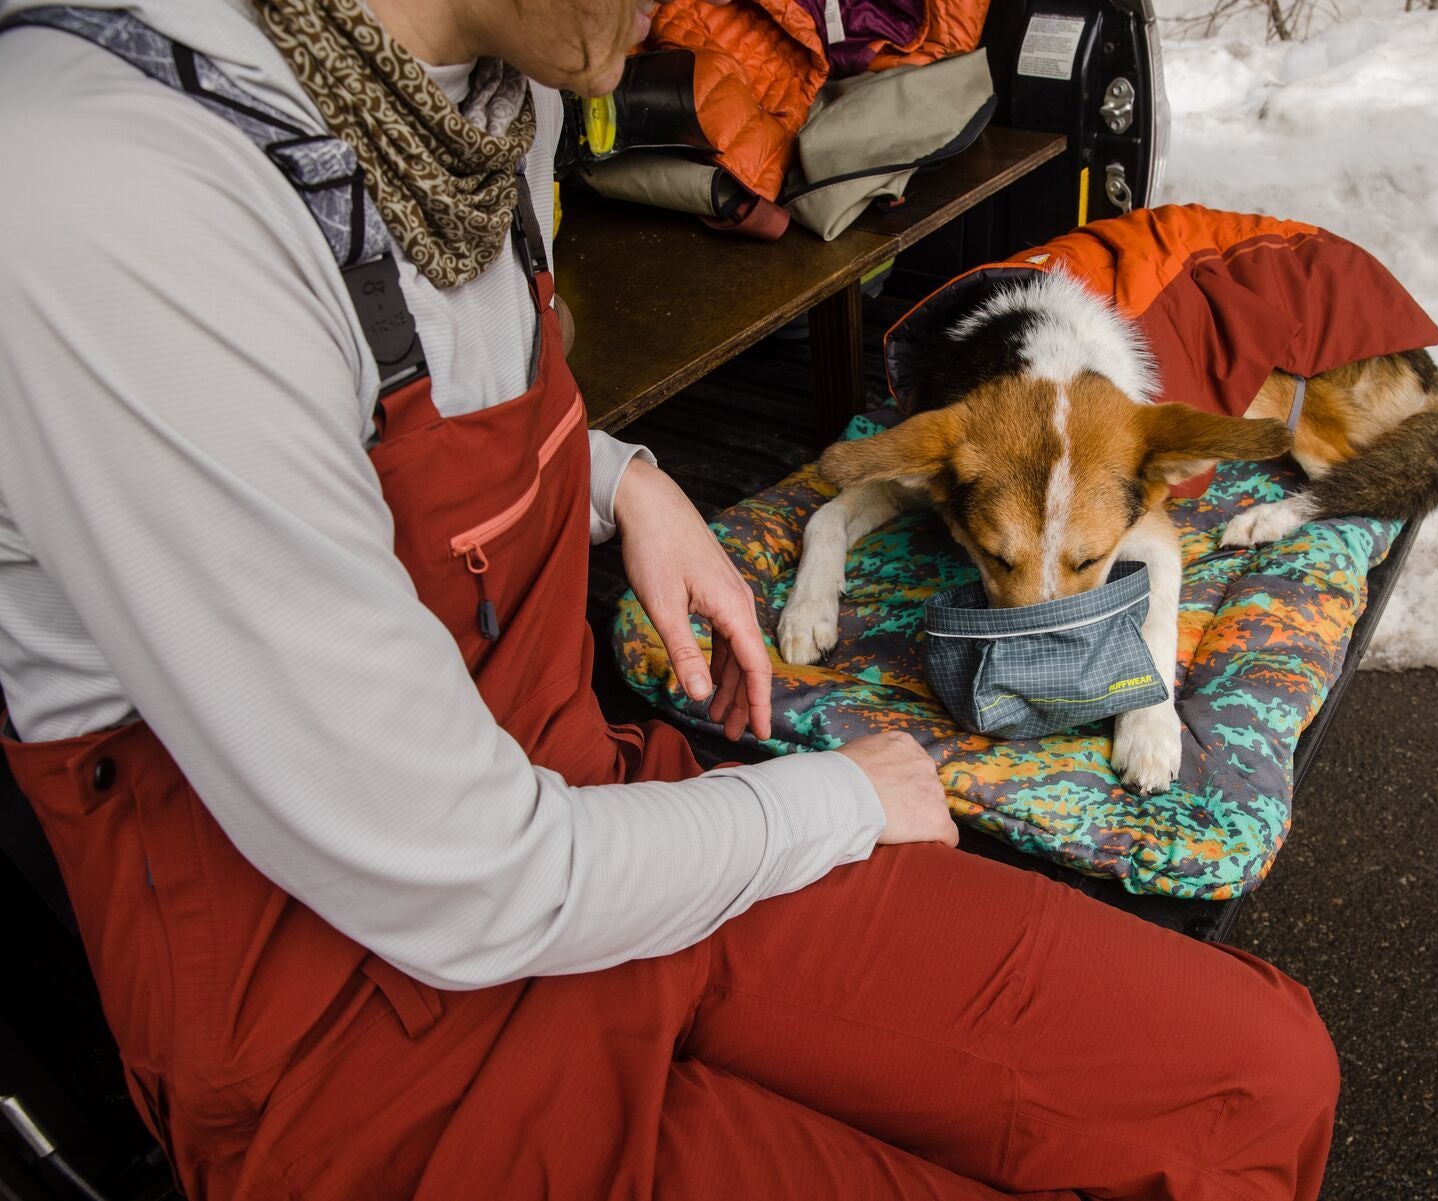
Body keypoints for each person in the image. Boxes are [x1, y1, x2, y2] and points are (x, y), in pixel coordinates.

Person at [0, 0, 1340, 1197]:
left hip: (600, 822)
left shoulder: (481, 88)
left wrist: (613, 477)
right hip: (364, 1040)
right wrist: (838, 796)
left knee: (1256, 1079)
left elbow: (349, 419)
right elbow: (461, 878)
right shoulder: (105, 192)